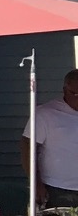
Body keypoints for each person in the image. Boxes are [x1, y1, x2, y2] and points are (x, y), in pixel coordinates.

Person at [31, 69, 78, 208]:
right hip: (57, 188)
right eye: (75, 94)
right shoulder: (46, 114)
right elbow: (27, 146)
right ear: (65, 90)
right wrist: (36, 182)